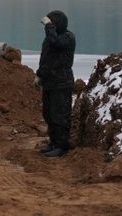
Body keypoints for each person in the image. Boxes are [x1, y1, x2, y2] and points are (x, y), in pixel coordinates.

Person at [35, 9, 75, 157]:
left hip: (62, 82)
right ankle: (53, 142)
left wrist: (49, 27)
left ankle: (61, 145)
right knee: (49, 114)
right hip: (49, 82)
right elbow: (46, 58)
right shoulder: (49, 38)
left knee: (60, 115)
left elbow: (56, 43)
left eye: (51, 23)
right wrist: (39, 75)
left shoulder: (67, 37)